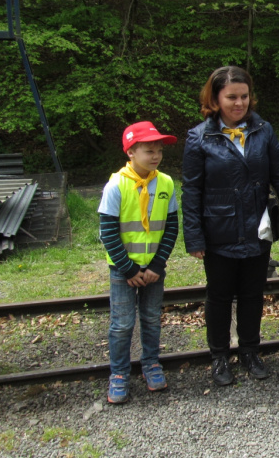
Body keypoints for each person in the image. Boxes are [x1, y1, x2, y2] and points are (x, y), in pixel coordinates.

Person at [182, 66, 279, 386]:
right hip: (218, 230)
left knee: (252, 294)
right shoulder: (199, 137)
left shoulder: (263, 130)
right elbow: (191, 190)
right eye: (231, 97)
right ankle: (219, 356)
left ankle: (250, 350)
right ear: (216, 98)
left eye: (244, 96)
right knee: (219, 296)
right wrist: (193, 235)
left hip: (257, 227)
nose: (239, 103)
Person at [98, 121, 179, 403]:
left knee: (151, 319)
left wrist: (157, 265)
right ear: (131, 152)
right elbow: (107, 232)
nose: (156, 156)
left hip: (154, 269)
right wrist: (128, 268)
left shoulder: (166, 183)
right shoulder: (116, 185)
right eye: (148, 150)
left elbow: (171, 227)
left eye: (159, 150)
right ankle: (119, 373)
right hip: (123, 269)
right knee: (121, 324)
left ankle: (151, 364)